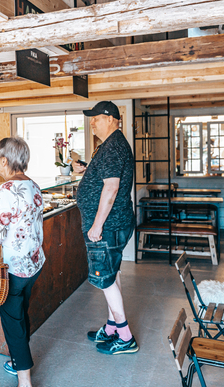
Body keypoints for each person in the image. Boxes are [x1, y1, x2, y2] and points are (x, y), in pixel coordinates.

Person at [0, 137, 44, 387]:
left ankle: (24, 380)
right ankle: (18, 362)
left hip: (12, 268)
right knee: (20, 313)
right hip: (33, 264)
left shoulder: (6, 190)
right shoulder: (33, 185)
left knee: (12, 321)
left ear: (4, 161)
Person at [71, 101, 138, 355]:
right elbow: (105, 179)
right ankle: (111, 328)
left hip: (107, 226)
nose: (92, 123)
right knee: (112, 276)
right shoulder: (112, 145)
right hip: (115, 223)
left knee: (105, 280)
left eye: (96, 118)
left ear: (110, 119)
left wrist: (97, 225)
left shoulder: (112, 146)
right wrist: (88, 171)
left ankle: (125, 336)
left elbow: (111, 188)